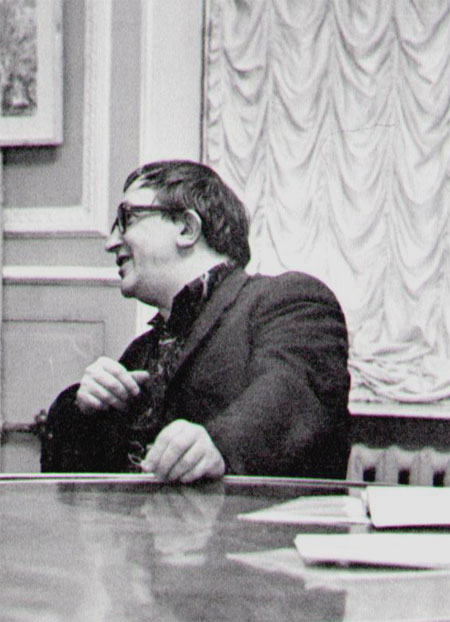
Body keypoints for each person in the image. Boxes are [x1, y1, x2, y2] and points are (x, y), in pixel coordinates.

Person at [41, 160, 351, 483]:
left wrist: (219, 444)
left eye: (127, 219)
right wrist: (82, 408)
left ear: (187, 228)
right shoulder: (140, 351)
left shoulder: (289, 300)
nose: (110, 242)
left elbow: (293, 394)